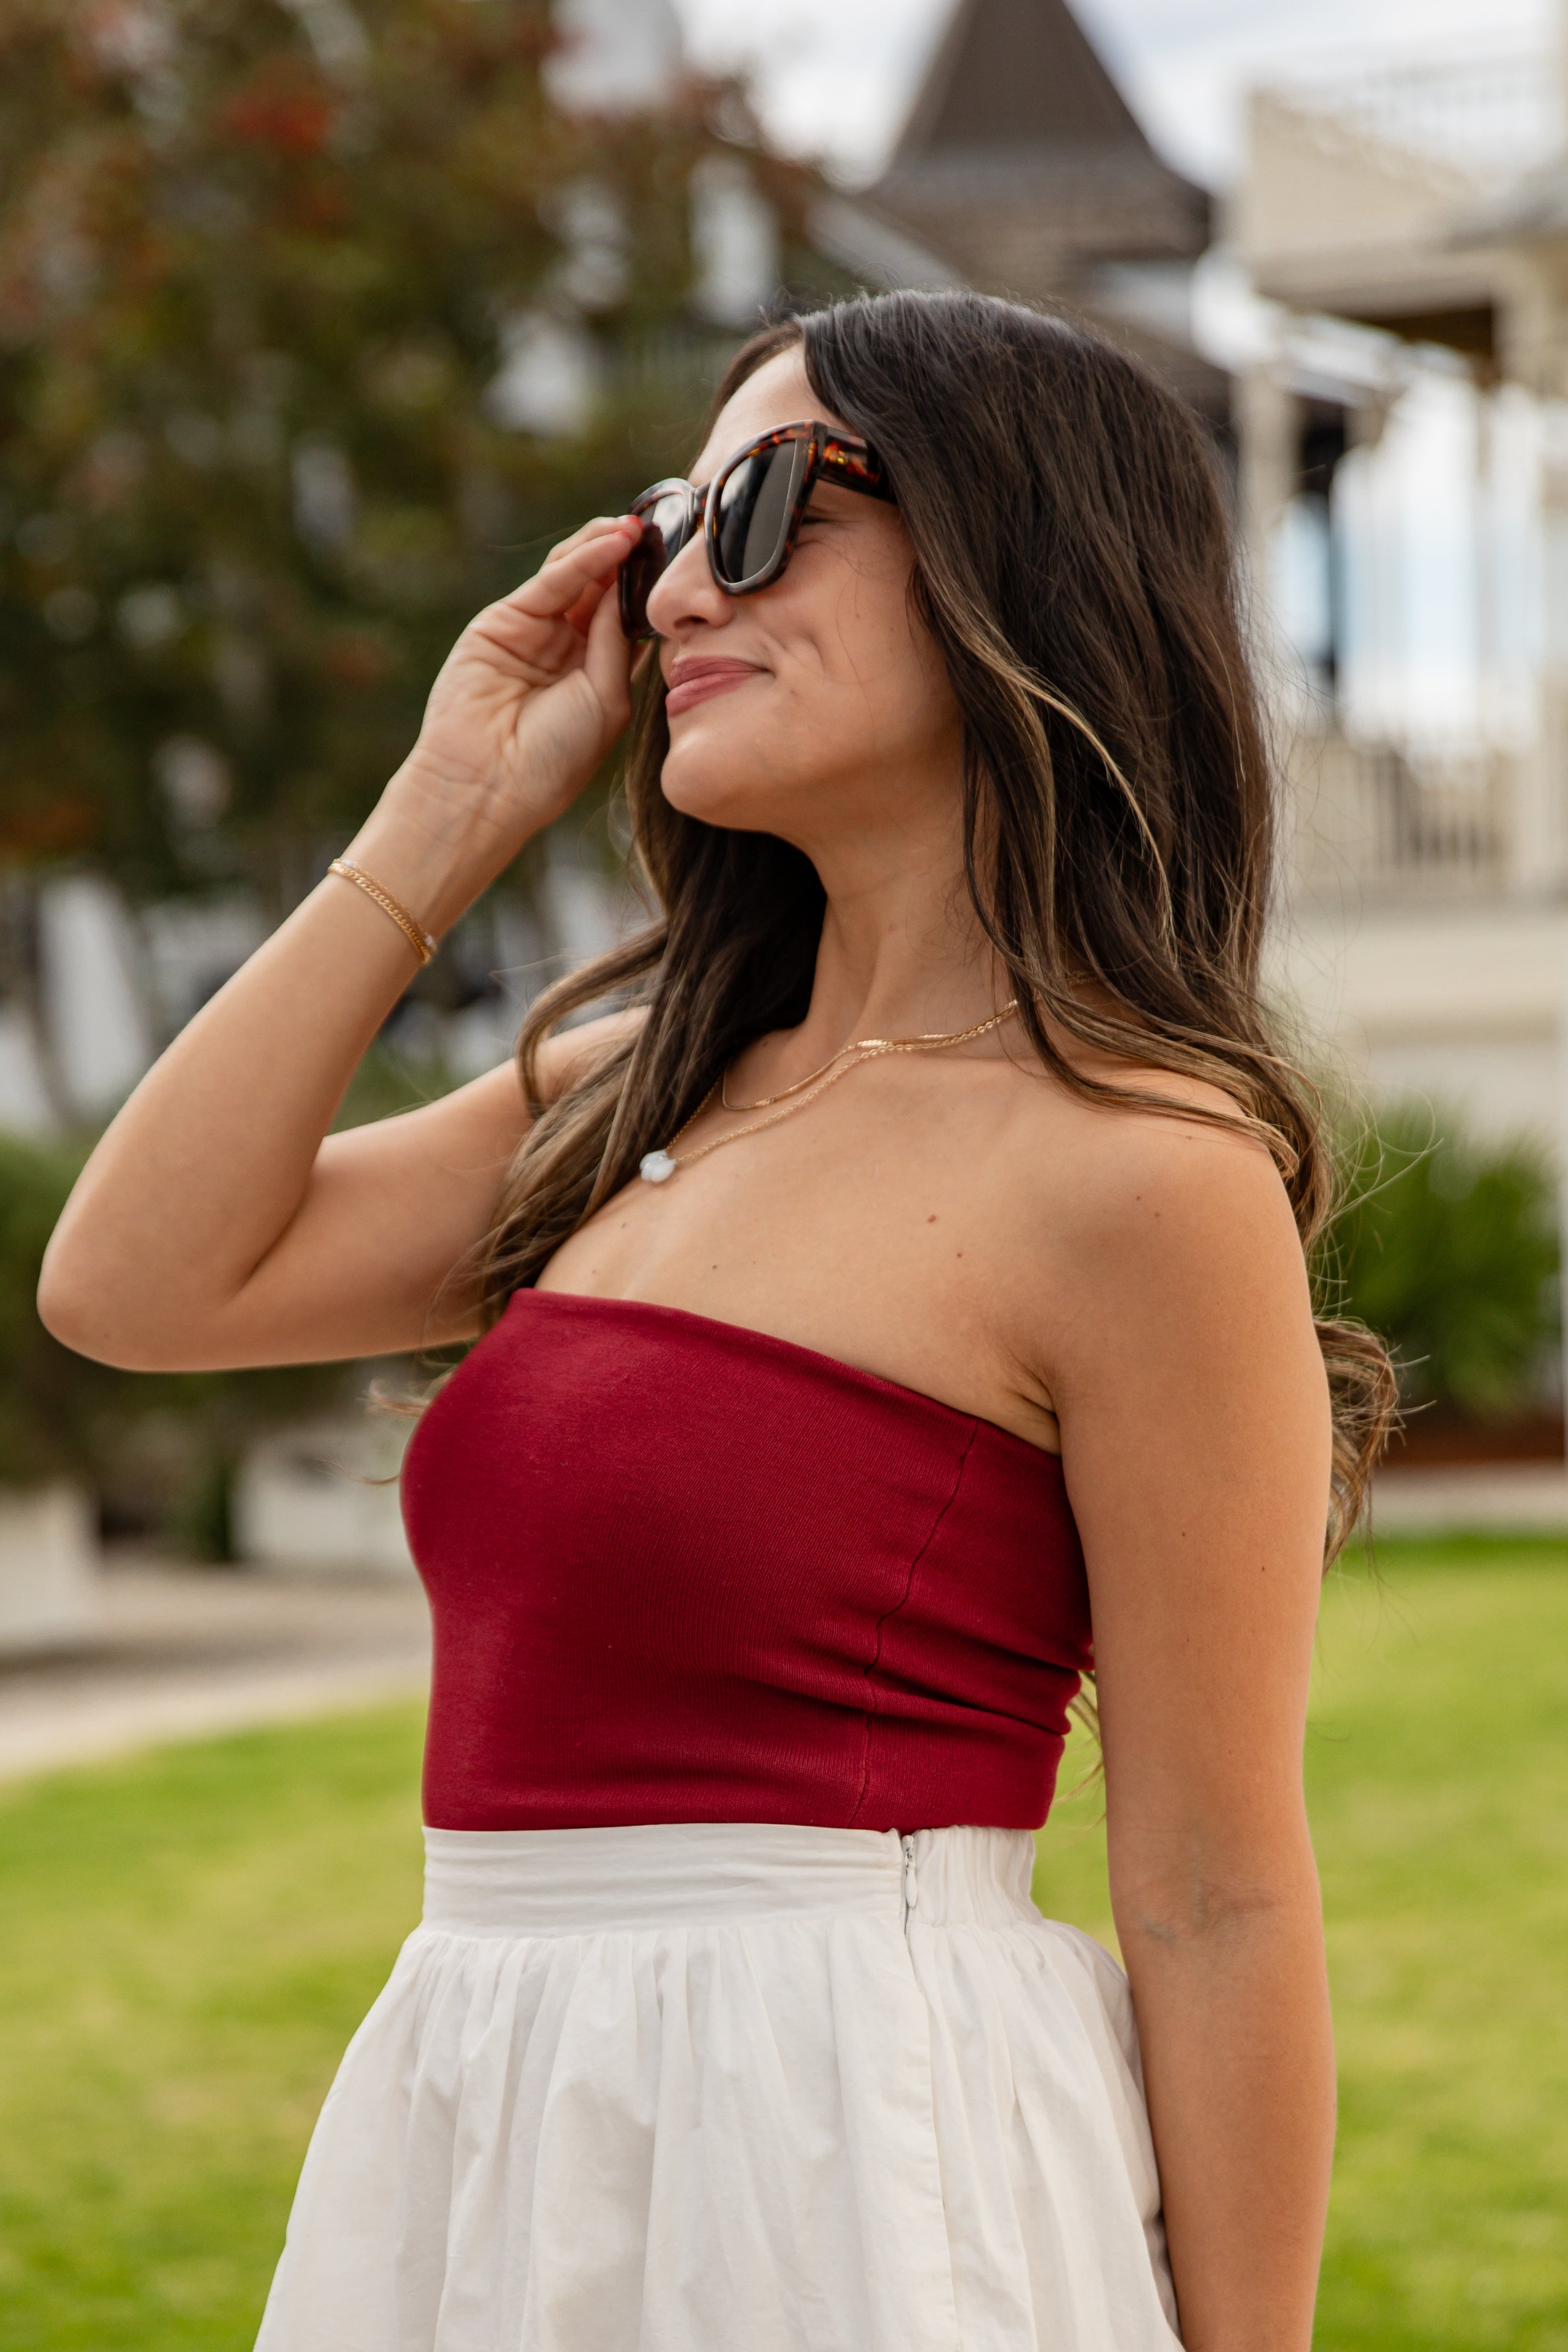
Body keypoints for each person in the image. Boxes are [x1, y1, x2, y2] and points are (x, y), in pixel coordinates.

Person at [39, 290, 1394, 2352]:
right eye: (668, 523)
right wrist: (445, 811)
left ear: (1017, 556)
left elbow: (1215, 1891)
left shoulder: (1139, 1176)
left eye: (763, 507)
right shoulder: (631, 1095)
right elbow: (133, 1283)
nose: (675, 588)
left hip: (842, 2147)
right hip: (493, 2106)